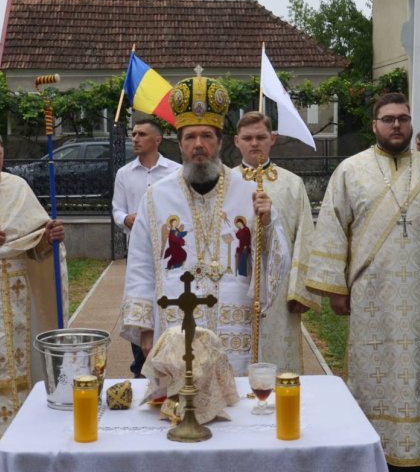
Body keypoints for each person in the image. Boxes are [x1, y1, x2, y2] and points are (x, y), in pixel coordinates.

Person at [308, 93, 420, 466]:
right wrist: (335, 287)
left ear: (410, 123)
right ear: (375, 125)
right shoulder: (350, 170)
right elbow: (332, 228)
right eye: (388, 119)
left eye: (403, 119)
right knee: (370, 370)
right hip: (370, 294)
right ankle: (371, 447)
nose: (396, 125)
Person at [121, 74, 289, 377]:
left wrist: (267, 223)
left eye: (207, 136)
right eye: (190, 137)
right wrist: (143, 327)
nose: (198, 145)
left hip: (233, 321)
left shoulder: (250, 193)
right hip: (175, 317)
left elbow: (276, 263)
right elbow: (140, 264)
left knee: (235, 396)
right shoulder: (156, 198)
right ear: (179, 144)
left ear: (220, 142)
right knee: (177, 395)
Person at [0, 126, 65, 437]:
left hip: (18, 292)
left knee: (22, 359)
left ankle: (28, 428)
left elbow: (34, 241)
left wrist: (49, 238)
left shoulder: (18, 187)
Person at [233, 111, 321, 374]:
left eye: (261, 137)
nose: (254, 143)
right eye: (247, 138)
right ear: (237, 141)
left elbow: (305, 236)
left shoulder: (292, 184)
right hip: (236, 282)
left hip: (280, 289)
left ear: (272, 139)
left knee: (279, 355)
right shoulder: (226, 183)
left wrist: (301, 291)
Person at [111, 119, 180, 377]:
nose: (135, 138)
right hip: (139, 251)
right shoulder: (124, 173)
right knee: (139, 298)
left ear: (157, 140)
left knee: (169, 297)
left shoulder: (175, 171)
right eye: (134, 134)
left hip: (170, 248)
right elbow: (117, 208)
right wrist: (125, 219)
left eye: (142, 134)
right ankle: (140, 363)